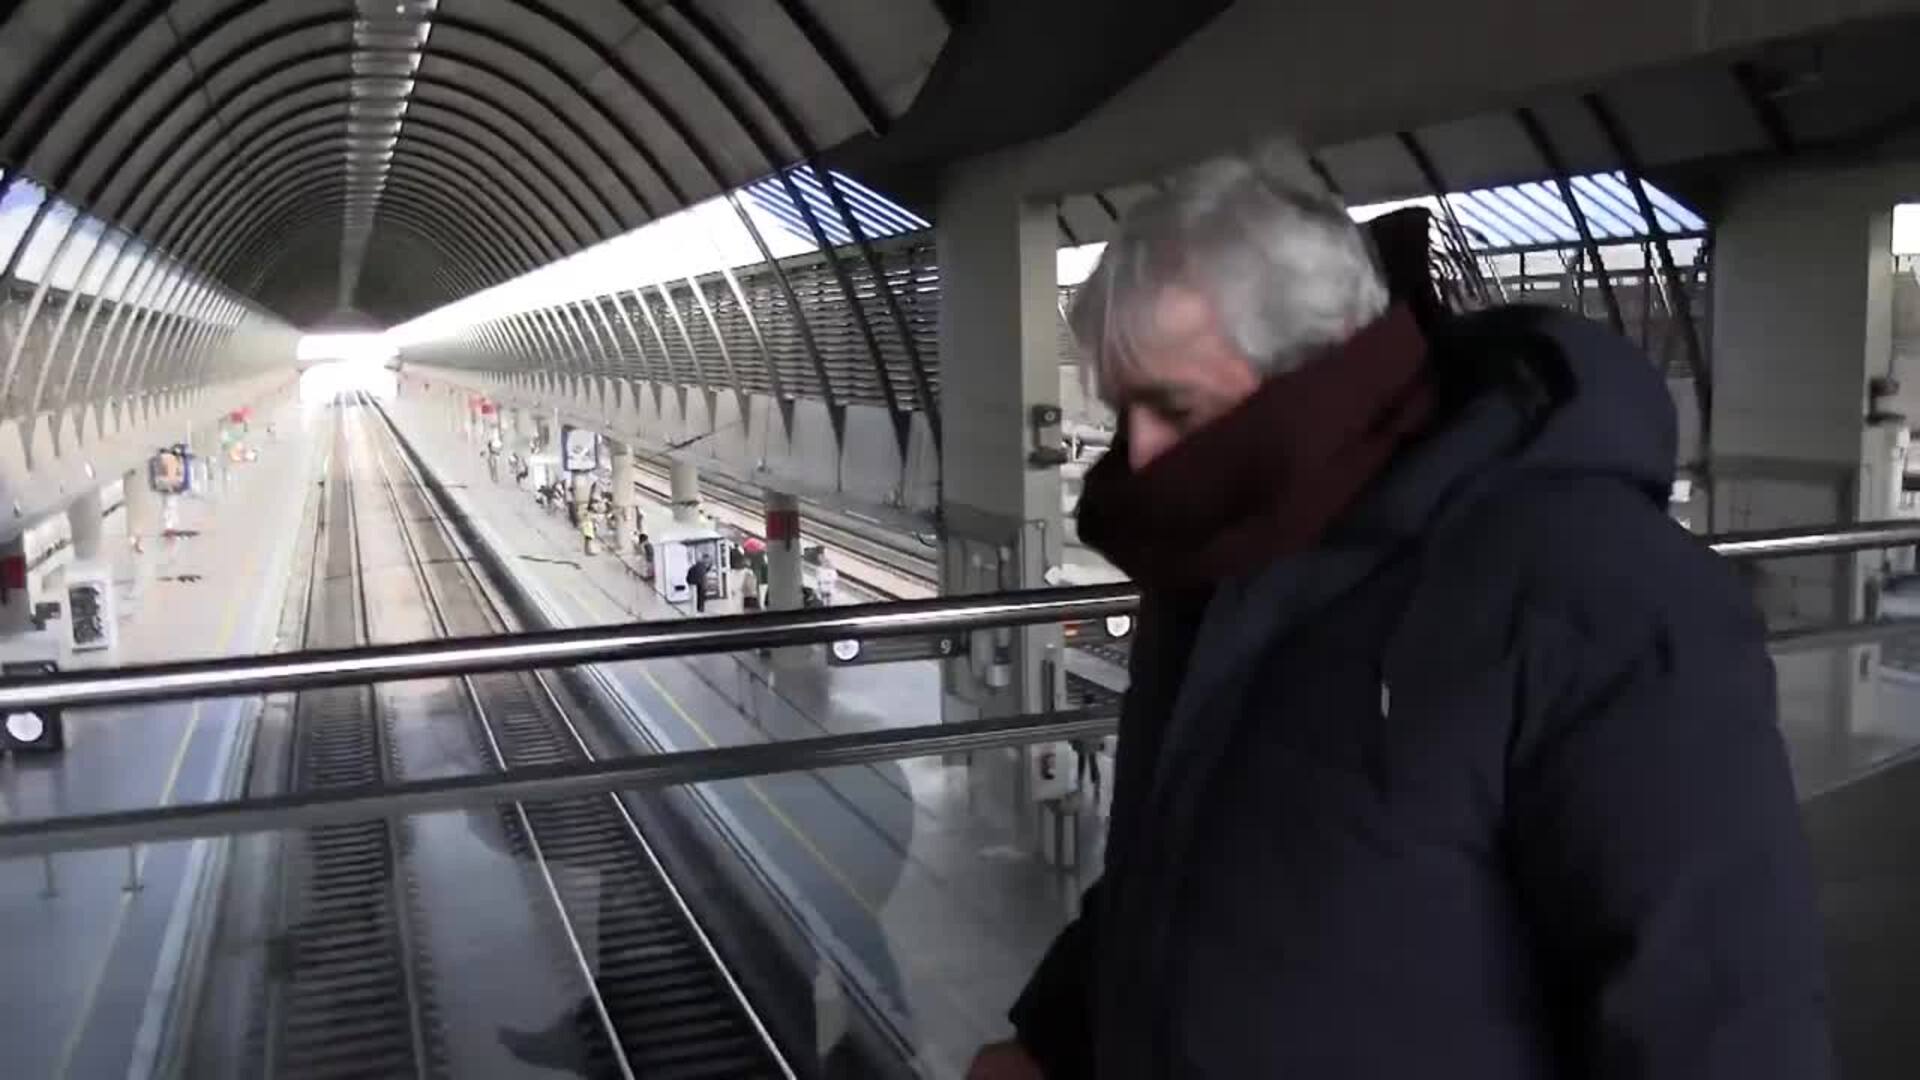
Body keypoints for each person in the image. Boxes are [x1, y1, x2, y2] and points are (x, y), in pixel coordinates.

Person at [970, 143, 1828, 1079]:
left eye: (1171, 407)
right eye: (1121, 410)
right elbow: (1175, 858)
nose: (1138, 456)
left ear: (1319, 367)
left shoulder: (1595, 592)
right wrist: (1055, 1035)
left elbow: (1722, 1024)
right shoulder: (1219, 562)